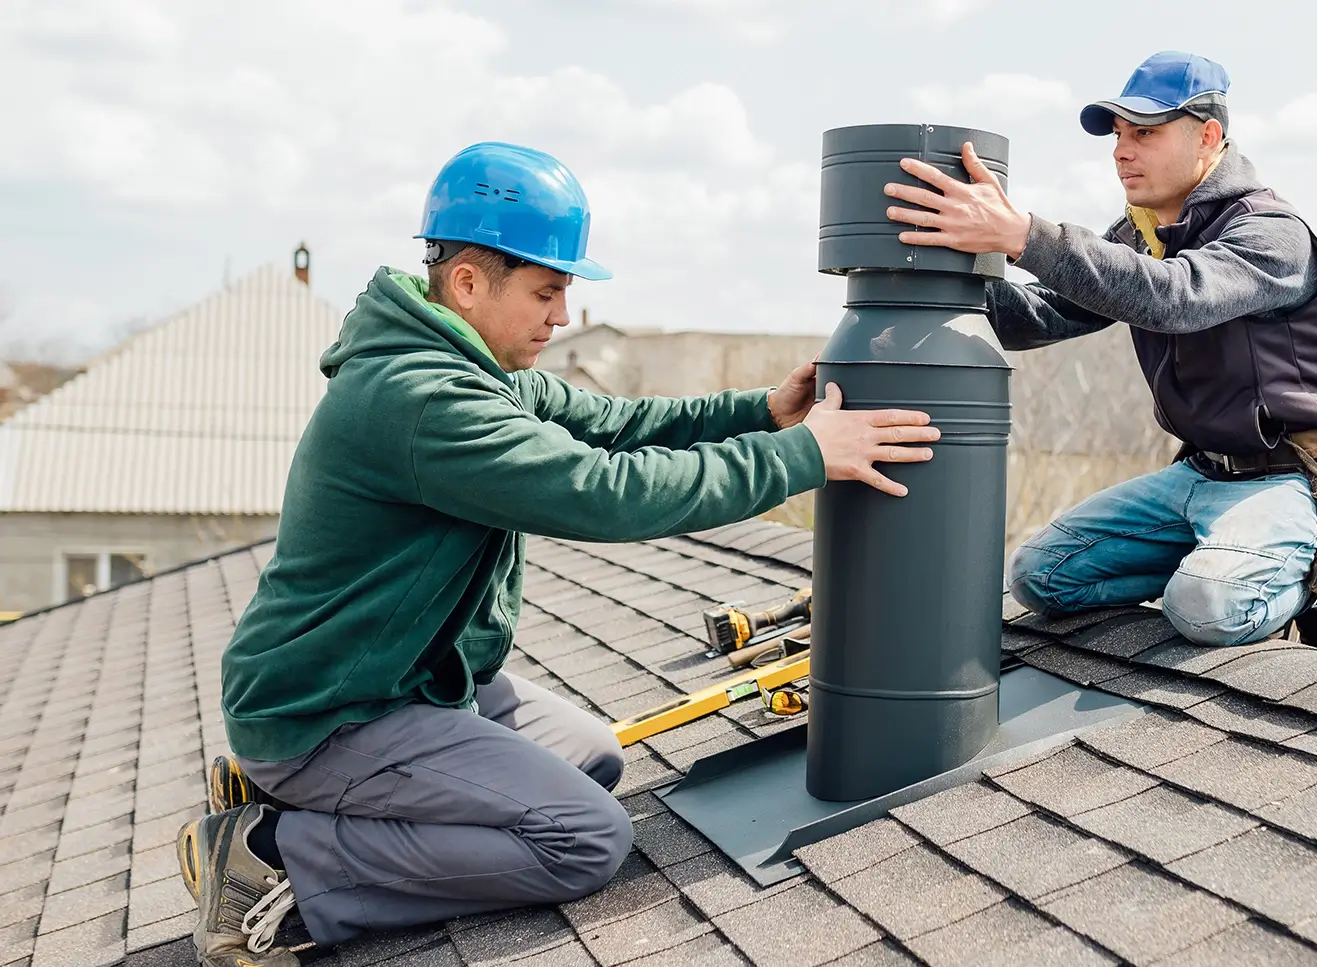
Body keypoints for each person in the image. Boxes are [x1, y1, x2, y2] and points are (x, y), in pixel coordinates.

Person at [176, 141, 941, 966]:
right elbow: (602, 489)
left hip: (409, 681)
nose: (562, 314)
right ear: (468, 282)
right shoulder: (426, 400)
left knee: (594, 757)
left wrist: (762, 412)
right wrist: (805, 458)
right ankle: (282, 857)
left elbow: (614, 426)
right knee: (583, 839)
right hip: (331, 712)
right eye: (547, 290)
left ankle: (302, 803)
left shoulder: (475, 366)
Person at [882, 50, 1317, 650]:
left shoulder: (1271, 232)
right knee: (1039, 578)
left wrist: (1024, 235)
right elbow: (1043, 314)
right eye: (1119, 134)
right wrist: (922, 277)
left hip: (1298, 478)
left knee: (1209, 609)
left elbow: (1177, 296)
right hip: (1202, 471)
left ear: (1208, 136)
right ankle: (1223, 563)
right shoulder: (1139, 235)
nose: (1122, 151)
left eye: (1145, 133)